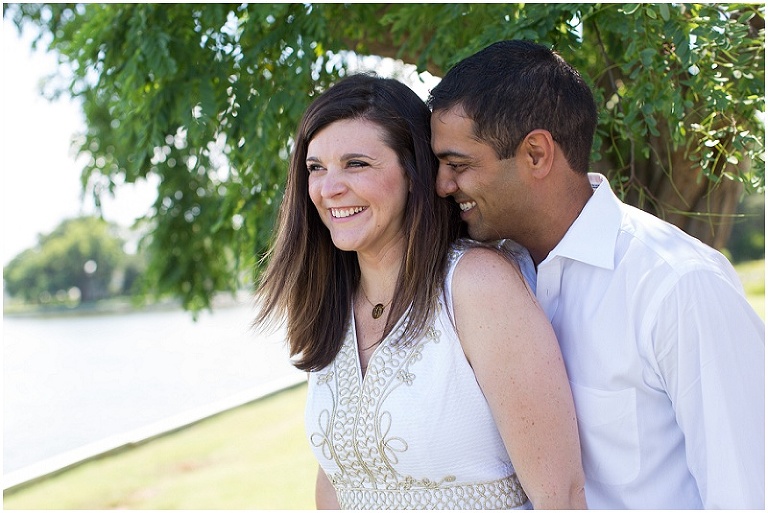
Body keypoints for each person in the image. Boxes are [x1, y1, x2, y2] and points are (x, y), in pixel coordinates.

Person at [428, 39, 765, 509]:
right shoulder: (482, 284)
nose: (443, 186)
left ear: (537, 155)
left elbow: (746, 491)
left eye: (458, 165)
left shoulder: (676, 285)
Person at [254, 73, 587, 509]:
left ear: (413, 173)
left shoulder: (476, 285)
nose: (329, 188)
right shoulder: (334, 305)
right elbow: (338, 480)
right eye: (316, 168)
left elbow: (559, 495)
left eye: (356, 163)